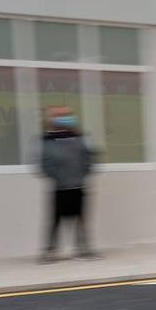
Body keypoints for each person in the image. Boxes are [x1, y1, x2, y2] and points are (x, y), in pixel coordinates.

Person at [40, 107, 99, 262]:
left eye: (66, 116)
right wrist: (57, 177)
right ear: (52, 119)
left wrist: (83, 174)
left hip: (78, 186)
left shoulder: (81, 137)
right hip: (60, 187)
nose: (64, 119)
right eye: (60, 116)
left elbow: (90, 157)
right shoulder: (47, 140)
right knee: (55, 220)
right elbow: (44, 163)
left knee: (81, 220)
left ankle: (83, 249)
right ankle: (50, 251)